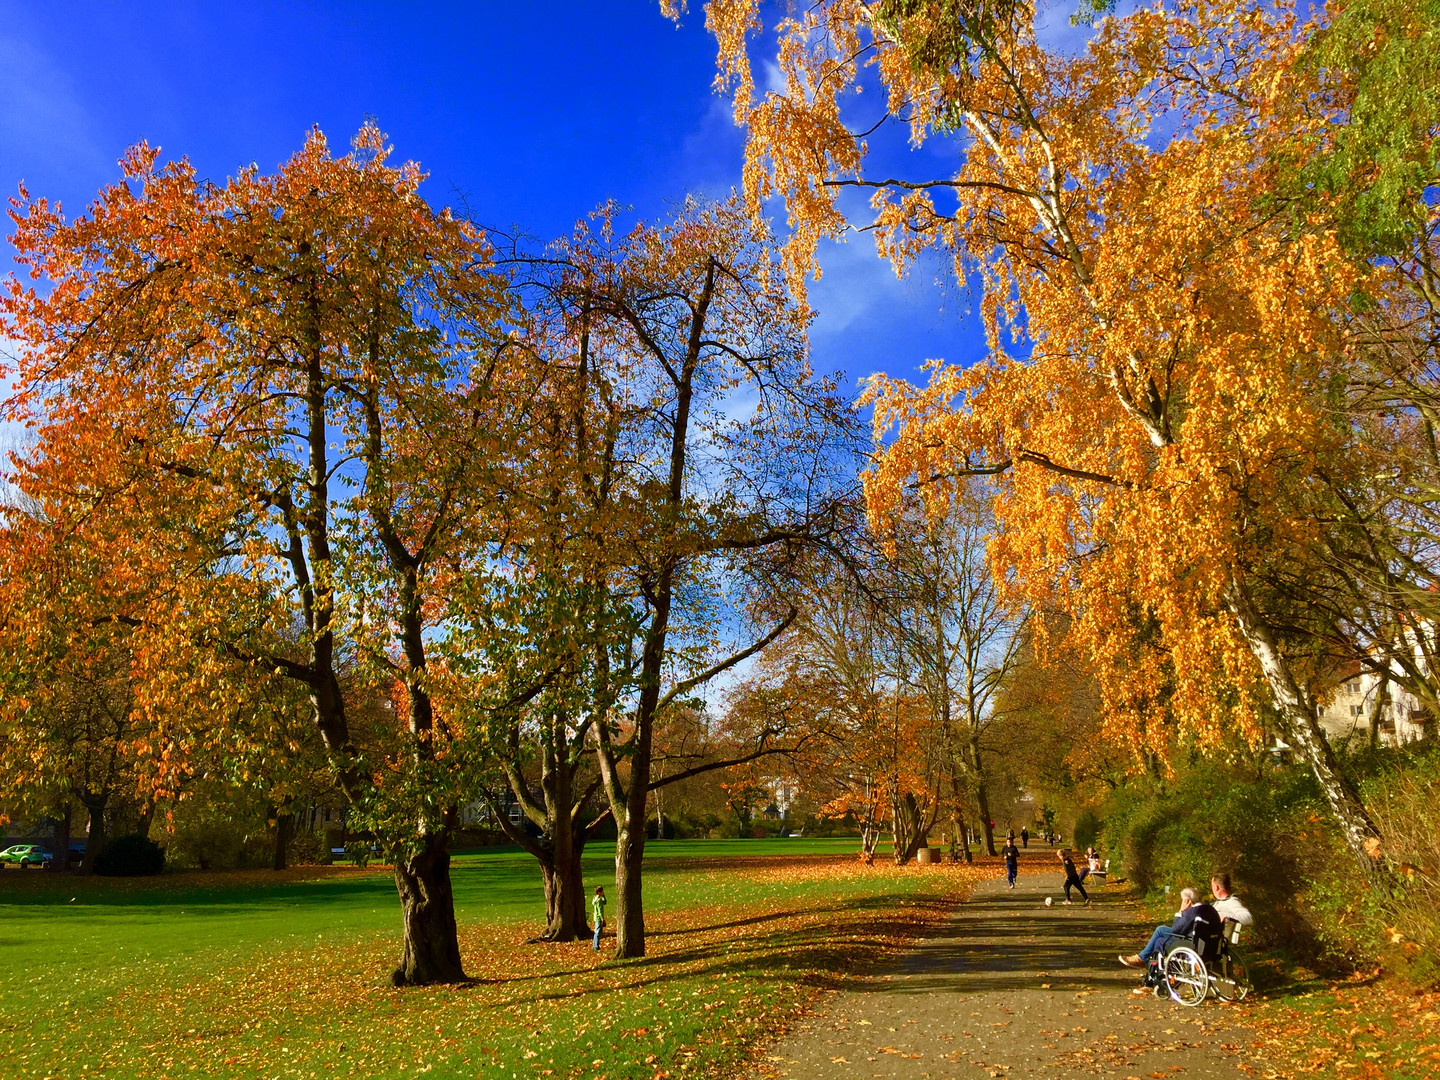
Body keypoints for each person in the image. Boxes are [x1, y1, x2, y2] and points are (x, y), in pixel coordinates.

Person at [1119, 887, 1221, 990]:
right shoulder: (1210, 910)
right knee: (1160, 930)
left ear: (1187, 901)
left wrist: (1181, 911)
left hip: (1192, 945)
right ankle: (1144, 963)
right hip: (1210, 946)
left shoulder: (1192, 912)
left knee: (1159, 939)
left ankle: (1149, 975)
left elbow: (1176, 929)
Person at [591, 885, 607, 951]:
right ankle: (595, 946)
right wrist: (602, 918)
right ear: (599, 892)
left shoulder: (596, 898)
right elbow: (600, 910)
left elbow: (605, 902)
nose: (603, 892)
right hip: (598, 918)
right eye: (602, 891)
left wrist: (603, 896)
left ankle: (595, 945)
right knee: (597, 932)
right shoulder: (599, 901)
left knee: (598, 932)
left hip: (596, 917)